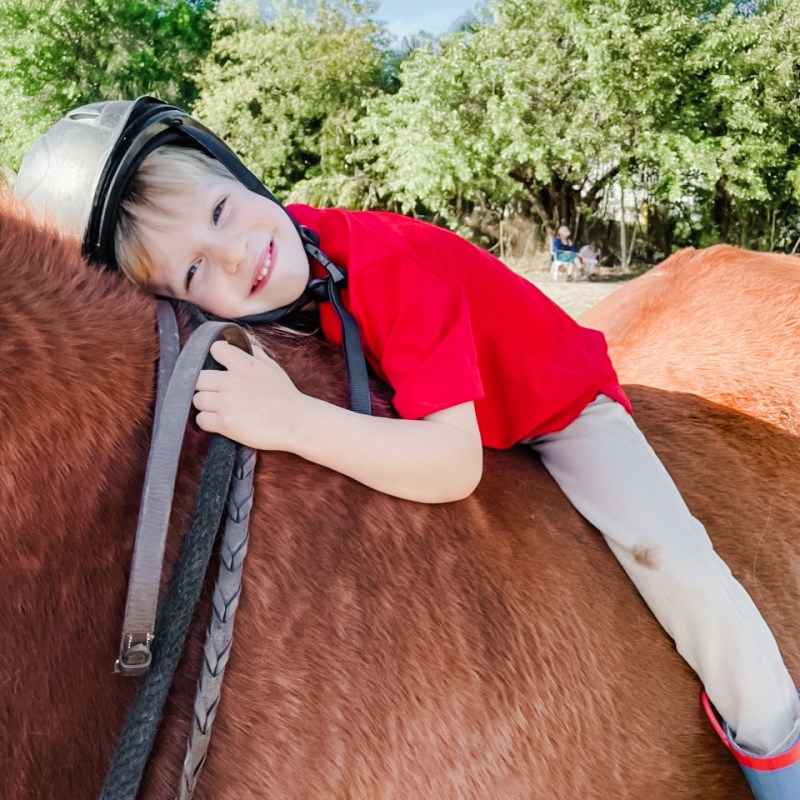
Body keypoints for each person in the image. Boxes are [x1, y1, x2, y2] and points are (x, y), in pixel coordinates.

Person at [15, 97, 800, 798]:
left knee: (681, 566)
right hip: (451, 403)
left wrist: (289, 421)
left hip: (551, 405)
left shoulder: (385, 264)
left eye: (221, 212)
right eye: (194, 270)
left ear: (238, 174)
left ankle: (778, 753)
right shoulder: (273, 277)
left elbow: (453, 466)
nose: (235, 258)